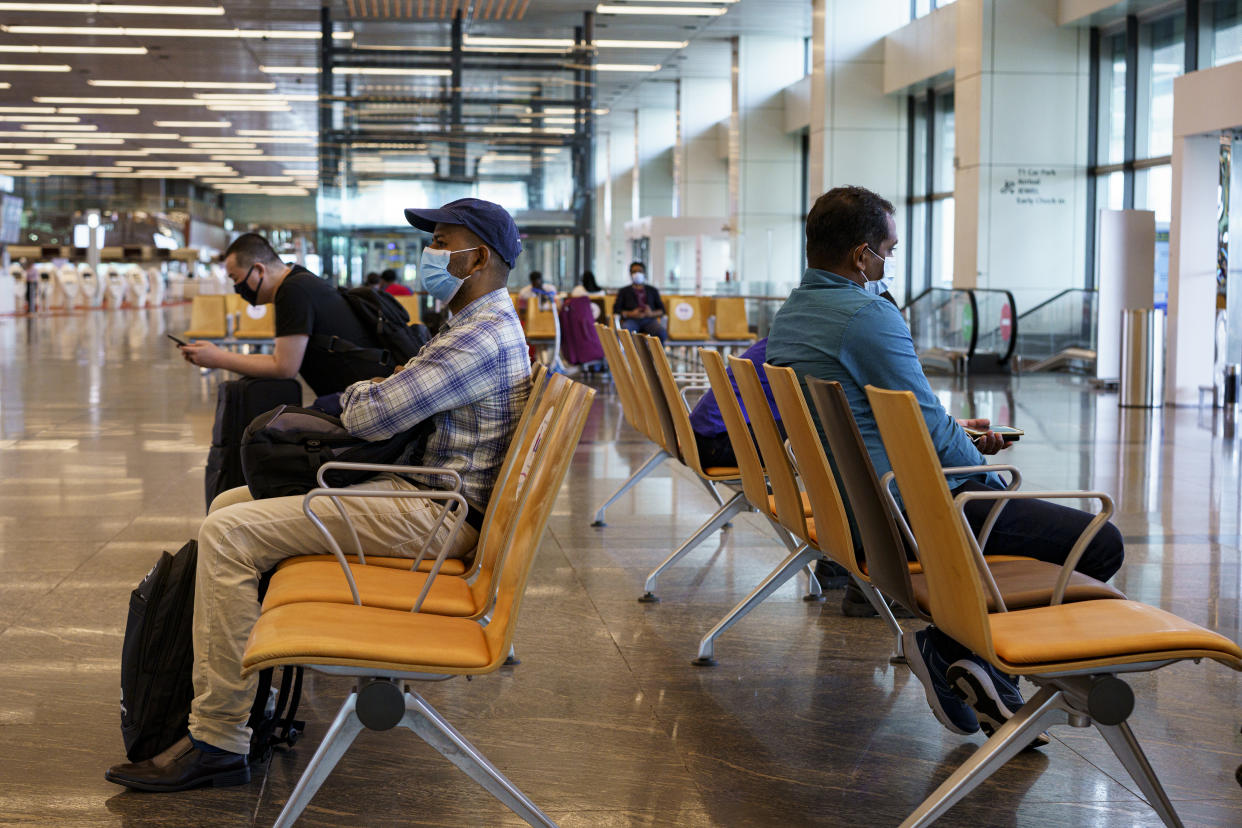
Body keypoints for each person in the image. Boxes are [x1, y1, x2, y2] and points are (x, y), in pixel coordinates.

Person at [104, 198, 532, 793]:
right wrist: (369, 392)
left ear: (478, 256)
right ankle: (250, 689)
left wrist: (352, 398)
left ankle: (218, 737)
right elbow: (391, 392)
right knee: (234, 503)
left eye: (442, 241)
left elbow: (380, 412)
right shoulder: (470, 325)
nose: (429, 253)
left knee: (226, 533)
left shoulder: (479, 336)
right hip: (427, 496)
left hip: (436, 514)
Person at [766, 185, 1124, 740]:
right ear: (862, 255)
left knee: (1009, 505)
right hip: (908, 516)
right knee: (1102, 543)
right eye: (888, 248)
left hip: (852, 510)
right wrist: (983, 476)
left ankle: (976, 666)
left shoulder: (792, 315)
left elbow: (890, 415)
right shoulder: (865, 315)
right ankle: (954, 649)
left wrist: (958, 433)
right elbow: (927, 427)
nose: (889, 260)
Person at [178, 235, 388, 397]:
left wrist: (218, 358)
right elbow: (280, 359)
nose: (236, 287)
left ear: (258, 270)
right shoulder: (299, 278)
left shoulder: (292, 291)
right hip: (368, 391)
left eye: (236, 278)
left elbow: (284, 367)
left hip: (369, 401)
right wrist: (217, 355)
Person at [614, 261, 667, 343]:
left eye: (639, 271)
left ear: (644, 273)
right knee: (625, 332)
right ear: (630, 273)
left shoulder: (652, 290)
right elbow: (616, 310)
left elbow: (662, 310)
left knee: (661, 332)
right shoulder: (623, 291)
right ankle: (629, 355)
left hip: (650, 320)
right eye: (634, 271)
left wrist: (651, 313)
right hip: (631, 320)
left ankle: (656, 355)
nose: (637, 274)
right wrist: (631, 313)